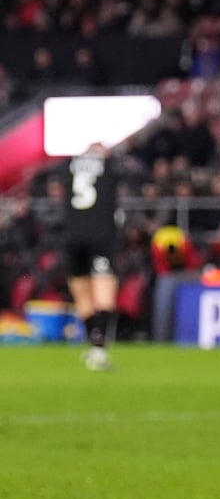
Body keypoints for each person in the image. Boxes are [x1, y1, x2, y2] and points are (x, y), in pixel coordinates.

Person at [62, 143, 120, 370]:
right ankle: (99, 351)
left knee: (82, 294)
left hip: (73, 234)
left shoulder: (68, 164)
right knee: (104, 296)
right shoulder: (109, 165)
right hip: (100, 234)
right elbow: (138, 172)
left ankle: (94, 347)